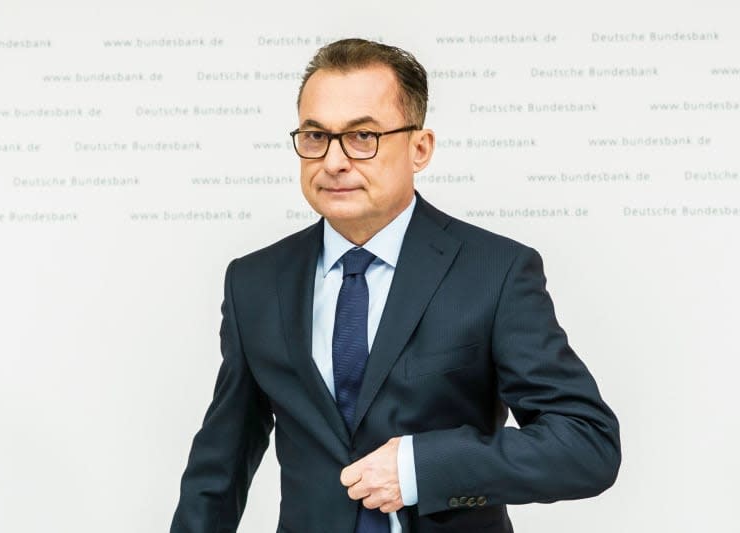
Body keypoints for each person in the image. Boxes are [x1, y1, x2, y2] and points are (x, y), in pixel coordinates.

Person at [171, 38, 620, 533]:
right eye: (316, 136)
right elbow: (220, 468)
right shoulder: (253, 281)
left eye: (363, 136)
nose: (334, 161)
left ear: (420, 148)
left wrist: (418, 468)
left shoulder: (496, 271)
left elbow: (586, 443)